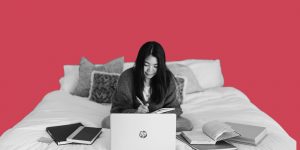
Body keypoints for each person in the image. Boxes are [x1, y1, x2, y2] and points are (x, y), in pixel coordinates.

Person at [102, 41, 193, 131]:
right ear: (139, 62)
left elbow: (175, 108)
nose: (150, 70)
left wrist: (159, 117)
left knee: (187, 124)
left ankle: (144, 128)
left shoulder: (168, 78)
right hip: (133, 119)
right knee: (106, 122)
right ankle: (149, 129)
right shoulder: (126, 77)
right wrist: (136, 112)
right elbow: (117, 110)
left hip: (158, 121)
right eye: (146, 64)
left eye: (155, 66)